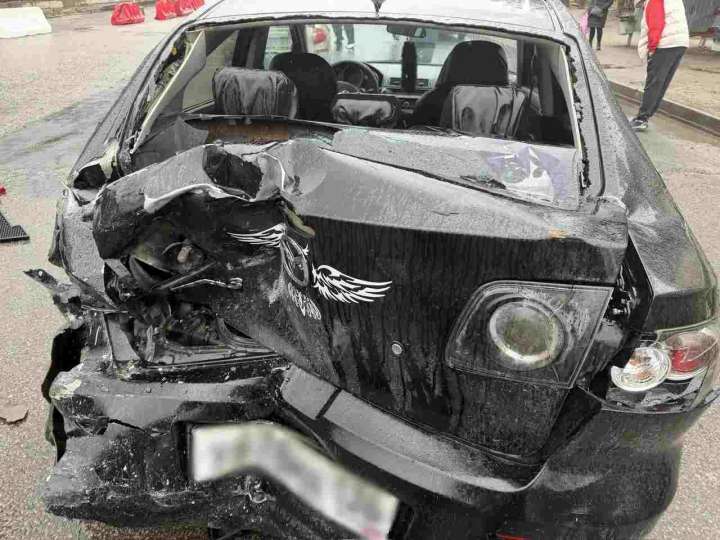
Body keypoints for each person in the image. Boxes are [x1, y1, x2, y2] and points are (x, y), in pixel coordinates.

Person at [629, 0, 689, 131]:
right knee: (662, 83)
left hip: (665, 44)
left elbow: (656, 24)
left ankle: (641, 119)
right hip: (680, 43)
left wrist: (651, 48)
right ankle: (646, 115)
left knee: (654, 82)